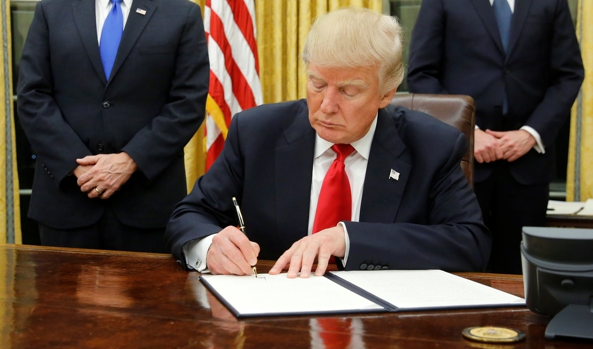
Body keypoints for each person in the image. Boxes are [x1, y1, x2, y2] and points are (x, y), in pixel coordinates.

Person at [165, 7, 491, 277]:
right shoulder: (256, 133)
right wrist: (208, 246)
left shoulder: (433, 146)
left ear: (387, 94)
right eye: (317, 83)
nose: (327, 105)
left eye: (349, 91)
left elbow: (470, 243)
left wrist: (348, 239)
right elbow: (190, 215)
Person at [407, 0, 584, 274]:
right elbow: (422, 73)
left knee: (523, 274)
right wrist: (469, 132)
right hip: (459, 166)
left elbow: (568, 75)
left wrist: (530, 133)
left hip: (527, 167)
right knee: (460, 269)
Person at [17, 0, 209, 252]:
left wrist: (130, 160)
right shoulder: (51, 10)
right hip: (67, 202)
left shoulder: (182, 13)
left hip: (146, 205)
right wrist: (76, 165)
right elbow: (32, 96)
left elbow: (188, 102)